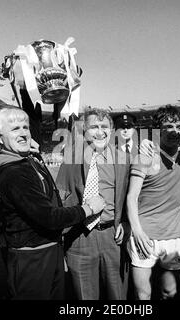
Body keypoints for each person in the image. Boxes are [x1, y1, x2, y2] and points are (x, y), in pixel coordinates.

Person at [0, 106, 104, 299]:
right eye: (15, 129)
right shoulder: (14, 173)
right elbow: (50, 217)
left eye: (25, 127)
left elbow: (51, 194)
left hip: (48, 250)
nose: (24, 133)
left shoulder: (26, 162)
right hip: (32, 258)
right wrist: (89, 208)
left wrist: (34, 154)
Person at [55, 107, 130, 300]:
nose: (100, 131)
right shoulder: (71, 159)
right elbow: (60, 197)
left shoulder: (123, 159)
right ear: (84, 131)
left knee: (118, 296)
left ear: (112, 130)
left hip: (113, 236)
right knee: (84, 296)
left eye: (104, 126)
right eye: (93, 127)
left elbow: (132, 196)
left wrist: (126, 223)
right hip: (80, 237)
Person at [126, 106, 180, 300]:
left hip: (174, 235)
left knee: (169, 292)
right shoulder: (145, 156)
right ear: (158, 130)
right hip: (145, 235)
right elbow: (132, 197)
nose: (174, 131)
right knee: (143, 293)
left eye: (178, 126)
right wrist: (137, 231)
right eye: (168, 126)